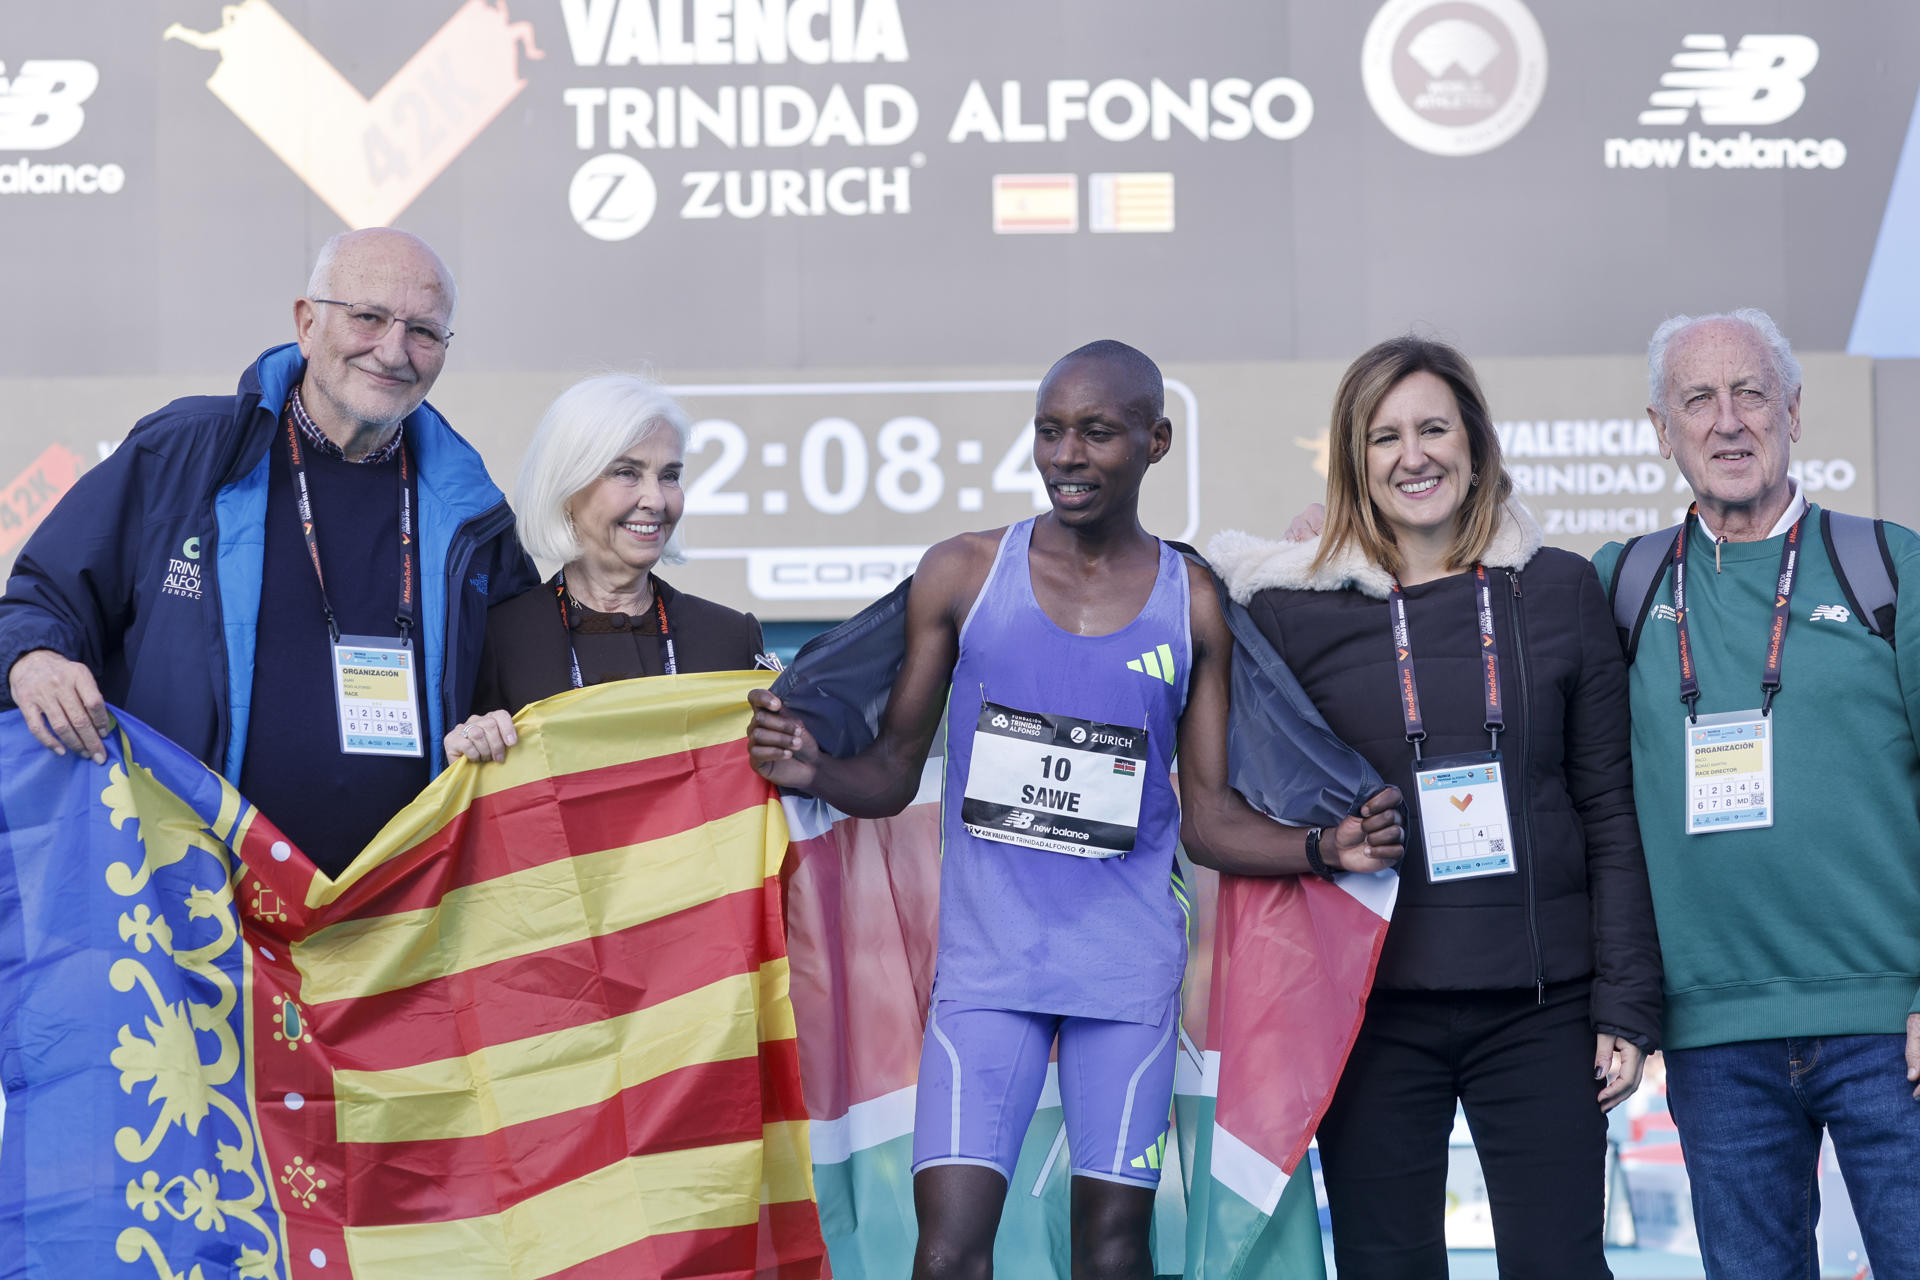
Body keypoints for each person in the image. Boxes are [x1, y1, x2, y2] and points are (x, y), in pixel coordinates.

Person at [747, 339, 1405, 1280]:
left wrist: (1322, 844)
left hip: (1124, 979)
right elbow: (893, 771)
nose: (1067, 455)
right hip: (987, 975)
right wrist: (811, 767)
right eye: (1050, 432)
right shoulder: (964, 576)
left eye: (1097, 433)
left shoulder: (1195, 604)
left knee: (1111, 1256)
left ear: (1155, 441)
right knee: (948, 1255)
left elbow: (1211, 823)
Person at [1207, 335, 1662, 1279]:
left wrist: (1624, 1002)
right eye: (1384, 437)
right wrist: (1318, 847)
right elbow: (1227, 796)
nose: (1413, 456)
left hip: (1542, 1011)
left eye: (1433, 429)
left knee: (1561, 1267)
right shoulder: (1292, 612)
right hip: (1372, 1014)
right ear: (1353, 461)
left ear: (1476, 443)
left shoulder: (1560, 591)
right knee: (1387, 1267)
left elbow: (1610, 813)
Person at [0, 228, 536, 877]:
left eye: (423, 331)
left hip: (398, 923)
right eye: (368, 317)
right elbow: (43, 600)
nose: (394, 350)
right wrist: (33, 658)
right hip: (186, 901)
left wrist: (490, 732)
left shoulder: (472, 514)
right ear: (308, 324)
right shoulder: (185, 453)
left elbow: (520, 695)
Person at [1592, 309, 1920, 1280]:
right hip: (1713, 1035)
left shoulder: (1887, 563)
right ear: (1662, 428)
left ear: (1795, 411)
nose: (1729, 420)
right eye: (1700, 398)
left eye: (1752, 393)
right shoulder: (1624, 583)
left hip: (1888, 1028)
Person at [445, 374, 767, 764]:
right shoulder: (495, 639)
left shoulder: (730, 638)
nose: (656, 499)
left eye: (670, 476)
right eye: (626, 472)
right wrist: (465, 750)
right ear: (567, 489)